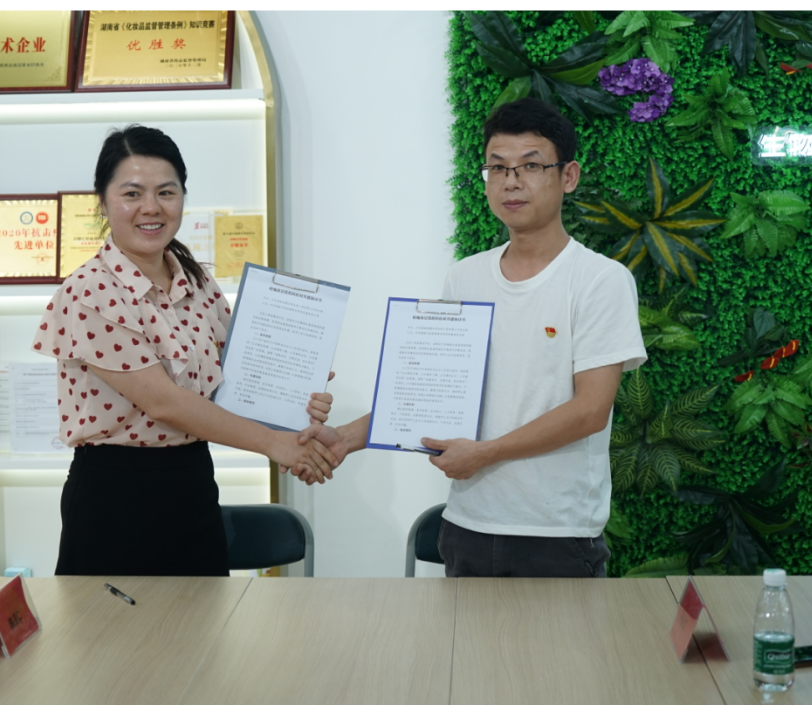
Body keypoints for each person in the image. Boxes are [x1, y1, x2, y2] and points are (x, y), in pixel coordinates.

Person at [297, 98, 647, 578]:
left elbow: (590, 410)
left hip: (557, 533)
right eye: (497, 167)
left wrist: (485, 453)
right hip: (467, 525)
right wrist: (343, 439)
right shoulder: (465, 277)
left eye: (531, 166)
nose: (511, 181)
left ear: (568, 176)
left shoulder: (600, 280)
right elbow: (428, 394)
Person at [32, 125, 339, 578]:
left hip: (193, 484)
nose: (151, 208)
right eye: (132, 193)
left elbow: (233, 378)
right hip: (115, 497)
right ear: (102, 202)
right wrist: (277, 445)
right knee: (111, 625)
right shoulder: (90, 291)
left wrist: (295, 396)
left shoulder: (193, 279)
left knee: (204, 622)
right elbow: (165, 402)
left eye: (166, 192)